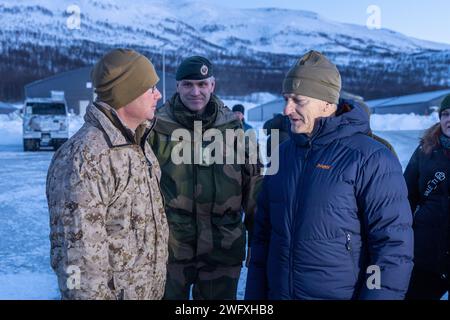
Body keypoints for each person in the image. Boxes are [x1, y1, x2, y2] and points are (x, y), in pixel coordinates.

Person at [245, 50, 414, 300]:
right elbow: (263, 239)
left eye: (298, 100)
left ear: (327, 103)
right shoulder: (283, 154)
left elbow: (391, 249)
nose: (287, 109)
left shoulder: (370, 158)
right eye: (286, 98)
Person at [46, 49, 168, 300]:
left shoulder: (137, 145)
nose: (159, 94)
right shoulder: (84, 158)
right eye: (150, 88)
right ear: (127, 92)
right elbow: (77, 261)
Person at [149, 56, 262, 300]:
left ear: (212, 85)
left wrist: (257, 240)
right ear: (178, 86)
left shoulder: (236, 131)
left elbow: (254, 191)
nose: (195, 92)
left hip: (222, 249)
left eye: (202, 85)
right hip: (170, 249)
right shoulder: (156, 130)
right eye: (188, 84)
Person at [404, 94, 450, 300]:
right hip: (426, 251)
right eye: (446, 114)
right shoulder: (425, 150)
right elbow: (406, 195)